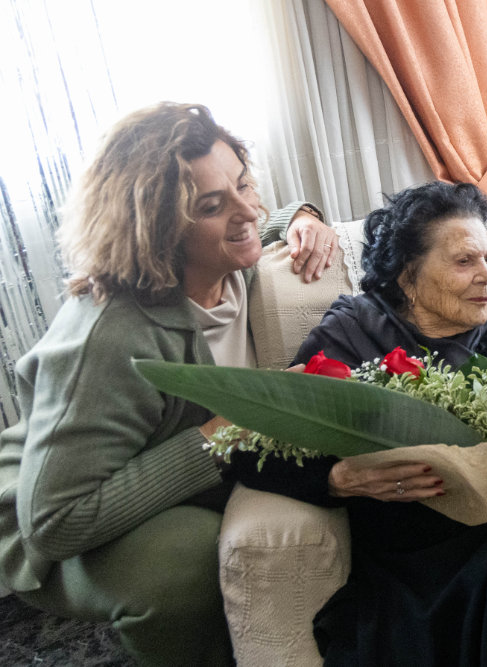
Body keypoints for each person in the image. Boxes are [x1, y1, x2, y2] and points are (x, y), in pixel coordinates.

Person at [0, 102, 336, 666]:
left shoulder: (228, 259)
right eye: (211, 205)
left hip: (149, 467)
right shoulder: (110, 337)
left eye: (244, 183)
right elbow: (53, 524)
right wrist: (221, 435)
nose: (246, 210)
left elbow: (255, 217)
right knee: (190, 559)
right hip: (50, 508)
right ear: (158, 229)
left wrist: (301, 216)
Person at [228, 181, 487, 667]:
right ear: (408, 275)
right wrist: (337, 480)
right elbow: (252, 450)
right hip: (409, 552)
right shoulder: (348, 338)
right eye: (465, 262)